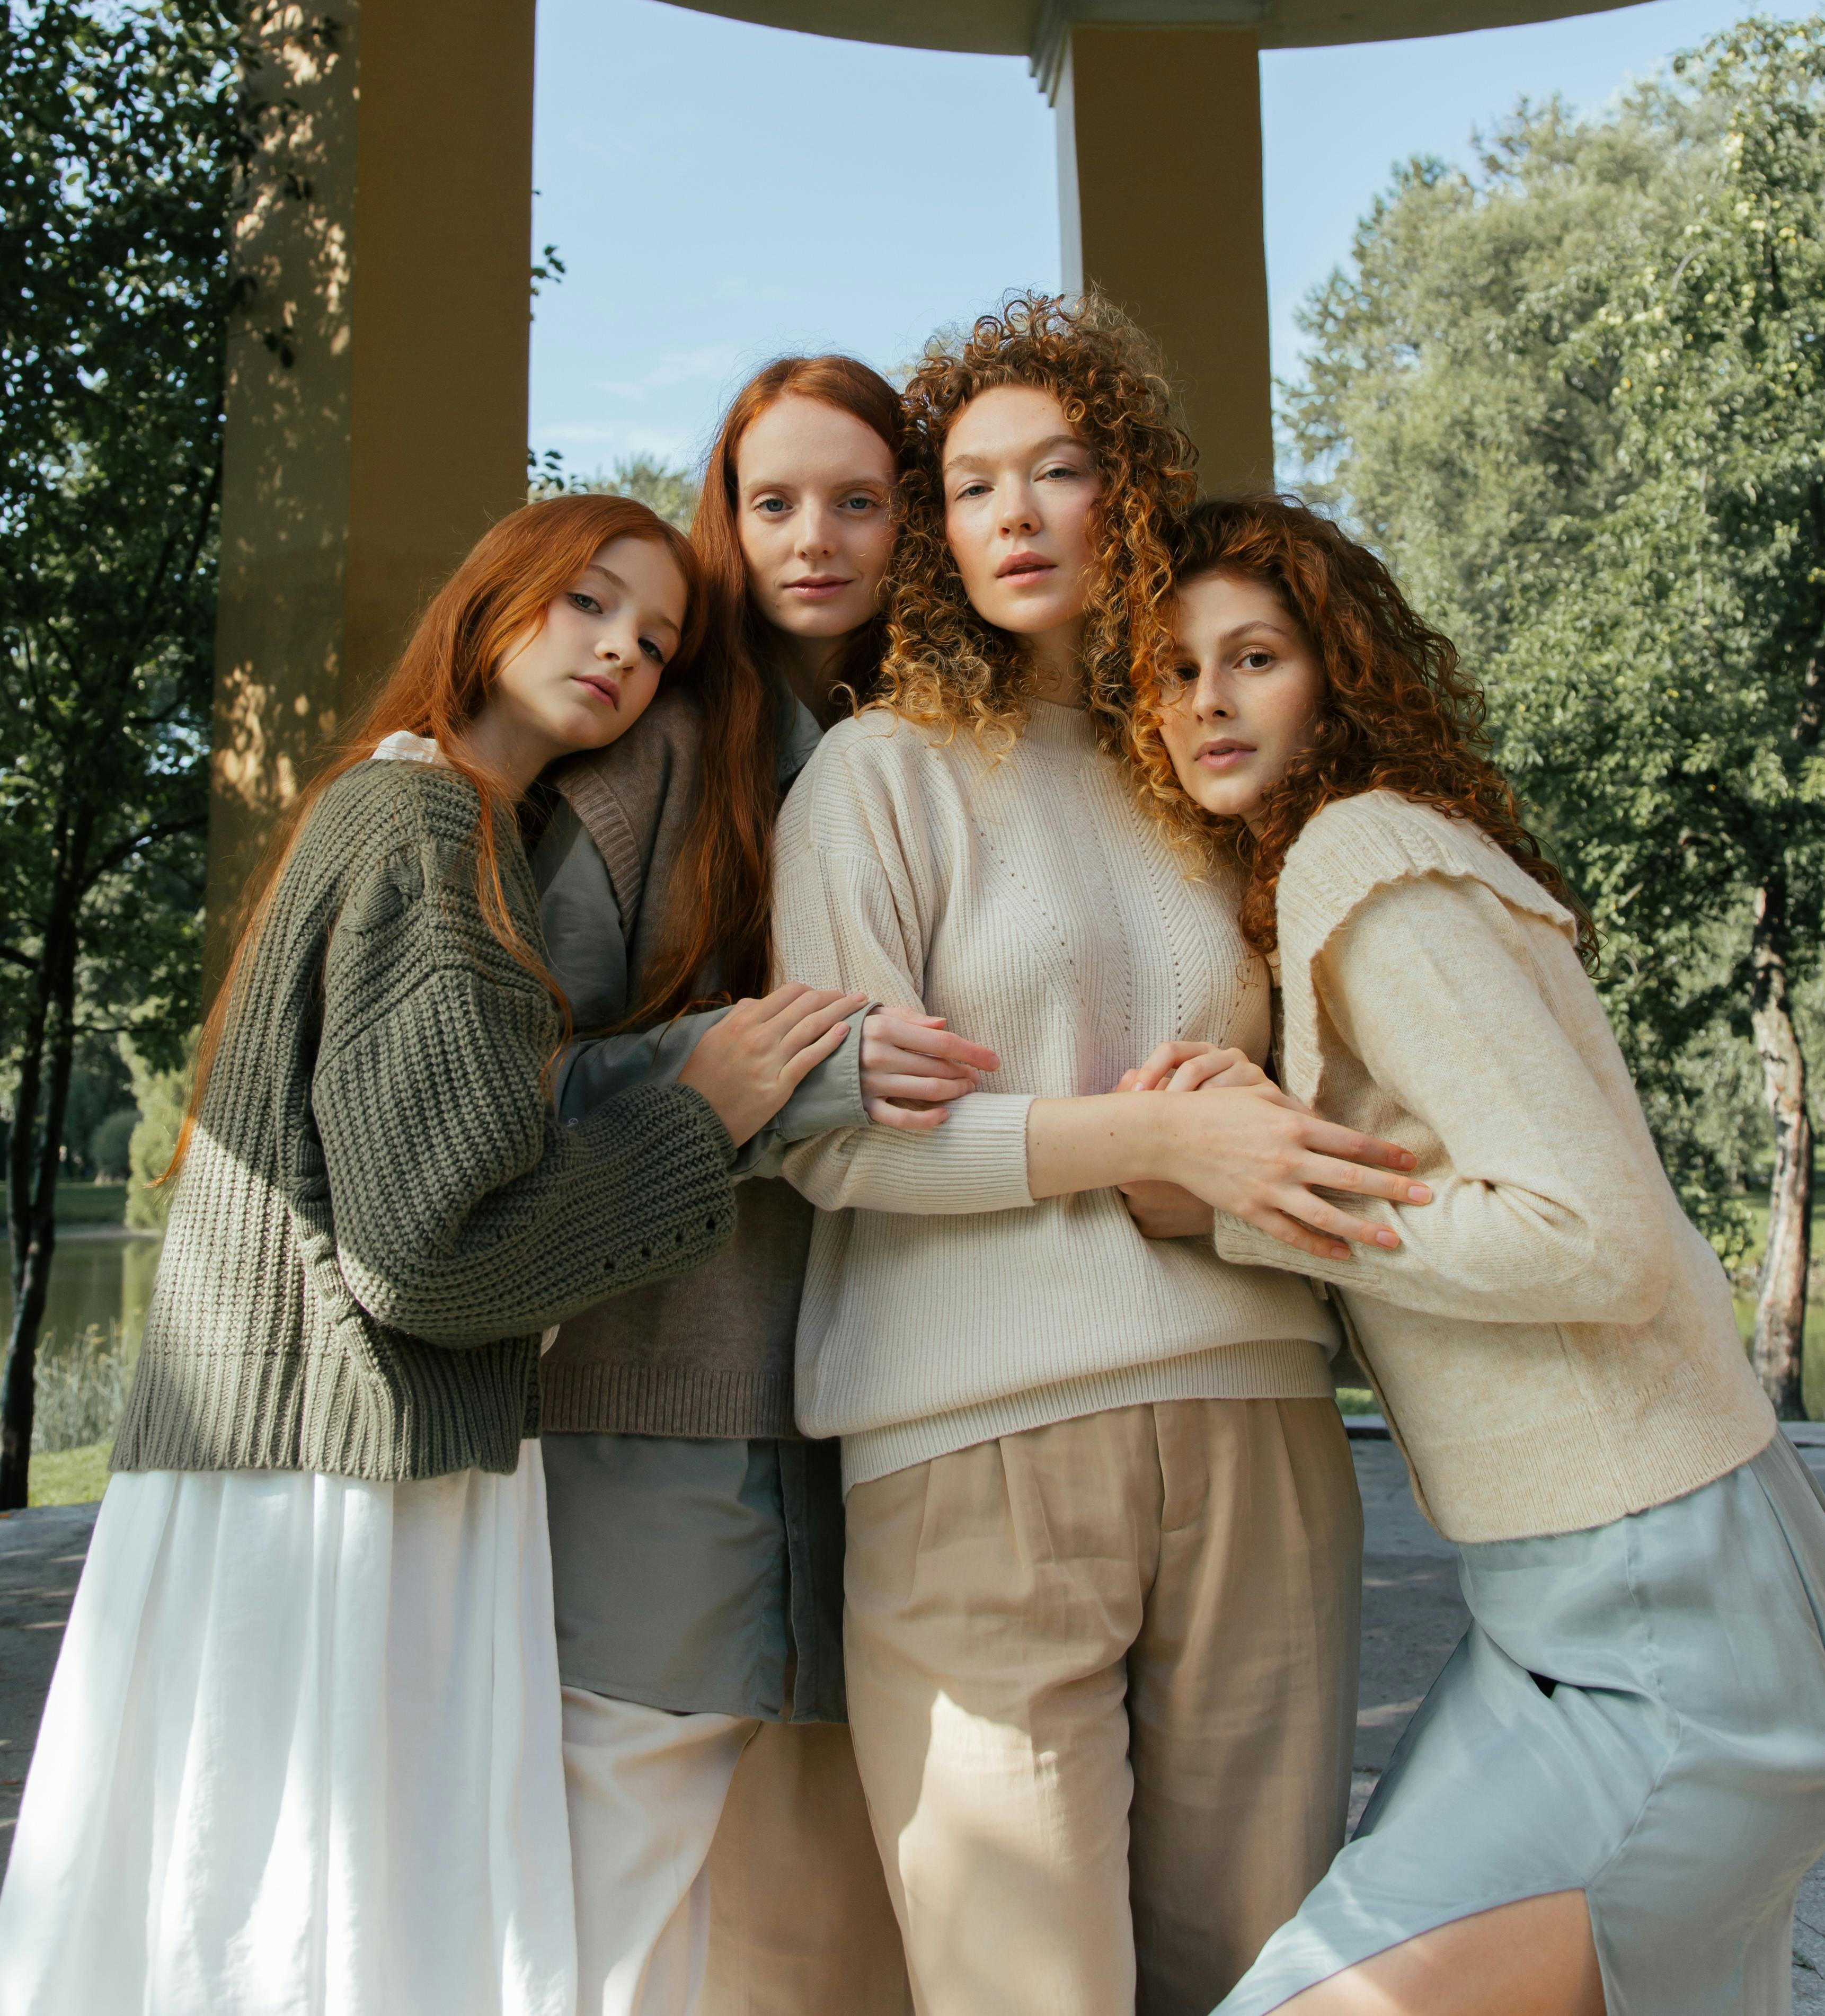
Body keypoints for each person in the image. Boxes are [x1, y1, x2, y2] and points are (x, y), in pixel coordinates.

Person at [0, 492, 805, 2016]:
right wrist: (699, 1120)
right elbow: (430, 1260)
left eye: (657, 639)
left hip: (283, 1462)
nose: (622, 652)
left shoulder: (413, 817)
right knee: (335, 1942)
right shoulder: (427, 825)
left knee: (226, 1920)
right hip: (344, 1486)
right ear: (493, 597)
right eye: (588, 603)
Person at [773, 296, 1418, 2016]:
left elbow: (1337, 1098)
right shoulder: (877, 779)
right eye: (969, 483)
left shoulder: (1204, 776)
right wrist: (1149, 1132)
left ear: (1122, 493)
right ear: (932, 528)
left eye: (1057, 469)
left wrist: (1250, 1119)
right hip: (972, 1448)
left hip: (1256, 1424)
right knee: (1021, 1987)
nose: (1013, 513)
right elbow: (835, 1138)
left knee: (1260, 1971)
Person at [1130, 493, 1825, 2016]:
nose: (1204, 704)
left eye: (1252, 657)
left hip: (1655, 1622)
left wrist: (1239, 1201)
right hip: (1577, 1609)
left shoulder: (1364, 862)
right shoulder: (1386, 862)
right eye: (1172, 673)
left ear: (1340, 674)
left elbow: (1595, 1245)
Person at [534, 358, 987, 2016]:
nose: (815, 540)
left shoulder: (940, 755)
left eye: (858, 501)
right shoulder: (635, 764)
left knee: (832, 1929)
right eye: (770, 500)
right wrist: (760, 1065)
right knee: (620, 1885)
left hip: (894, 1397)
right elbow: (516, 1086)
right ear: (718, 517)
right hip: (666, 1389)